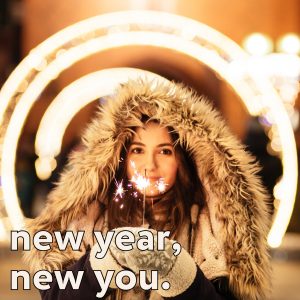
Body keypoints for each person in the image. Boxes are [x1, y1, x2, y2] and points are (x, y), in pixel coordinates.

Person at [24, 79, 271, 300]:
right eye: (138, 150)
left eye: (164, 151)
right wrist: (104, 262)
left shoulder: (210, 226)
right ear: (120, 157)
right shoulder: (88, 218)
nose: (149, 166)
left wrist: (177, 272)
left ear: (181, 161)